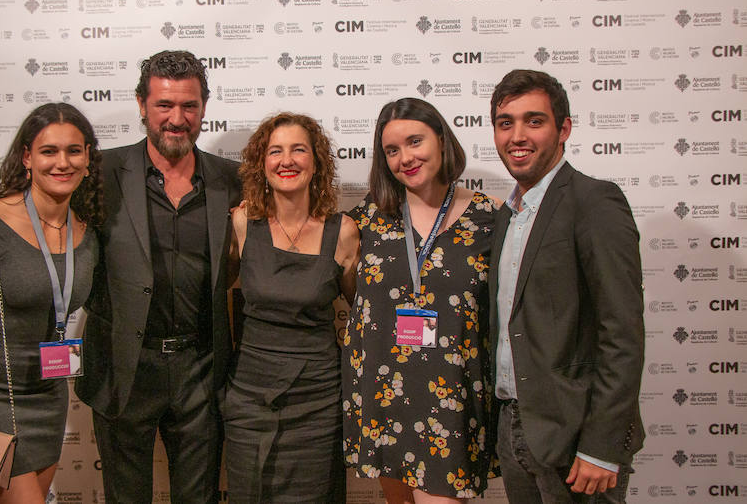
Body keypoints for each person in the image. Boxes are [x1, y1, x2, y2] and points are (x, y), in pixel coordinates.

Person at [0, 50, 241, 503]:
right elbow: (35, 225)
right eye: (164, 105)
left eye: (189, 106)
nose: (177, 118)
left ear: (204, 107)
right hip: (123, 369)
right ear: (142, 105)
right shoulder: (97, 171)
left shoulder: (232, 179)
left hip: (203, 369)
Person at [487, 69, 644, 503]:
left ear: (564, 129)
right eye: (506, 123)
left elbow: (622, 332)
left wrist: (601, 445)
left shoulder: (594, 201)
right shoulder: (505, 215)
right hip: (514, 429)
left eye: (534, 121)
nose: (517, 135)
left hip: (578, 440)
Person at [0, 102, 102, 502]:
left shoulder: (88, 230)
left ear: (88, 160)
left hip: (50, 398)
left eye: (73, 151)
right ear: (27, 157)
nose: (62, 162)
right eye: (48, 151)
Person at [343, 97, 498, 502]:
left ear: (442, 141)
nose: (405, 158)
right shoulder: (368, 218)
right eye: (392, 150)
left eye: (415, 142)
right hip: (383, 389)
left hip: (450, 393)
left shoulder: (489, 218)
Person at [224, 113, 360, 502]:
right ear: (260, 163)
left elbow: (362, 312)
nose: (287, 160)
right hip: (250, 394)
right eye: (275, 151)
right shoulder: (242, 224)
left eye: (299, 149)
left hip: (317, 399)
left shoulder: (343, 232)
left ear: (316, 162)